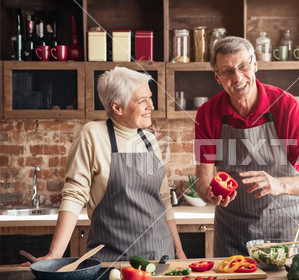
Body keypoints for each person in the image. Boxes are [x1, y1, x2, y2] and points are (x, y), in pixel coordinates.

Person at [25, 67, 186, 263]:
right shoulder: (92, 135)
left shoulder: (149, 140)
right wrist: (54, 255)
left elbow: (163, 201)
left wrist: (179, 251)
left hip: (160, 254)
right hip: (113, 259)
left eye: (150, 98)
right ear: (117, 107)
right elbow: (74, 196)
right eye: (141, 100)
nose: (151, 106)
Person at [194, 36, 299, 257]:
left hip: (285, 233)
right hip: (232, 236)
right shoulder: (207, 114)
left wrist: (279, 184)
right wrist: (209, 193)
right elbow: (203, 179)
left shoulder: (287, 107)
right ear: (217, 77)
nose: (237, 77)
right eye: (227, 71)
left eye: (243, 66)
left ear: (255, 65)